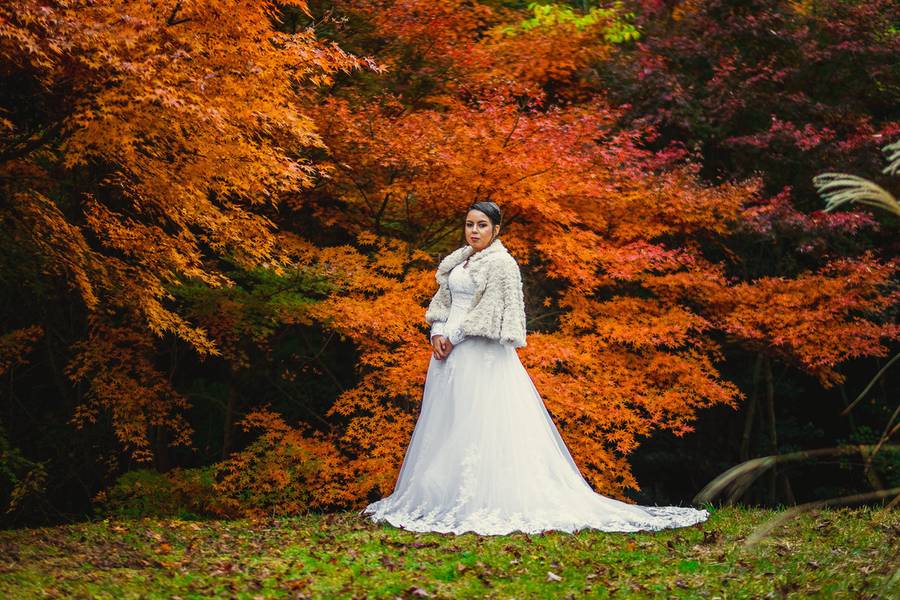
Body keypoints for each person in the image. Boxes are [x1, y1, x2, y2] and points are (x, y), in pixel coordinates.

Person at [360, 201, 710, 535]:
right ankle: (440, 495)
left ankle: (479, 497)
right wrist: (437, 331)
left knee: (477, 422)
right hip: (447, 354)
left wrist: (453, 336)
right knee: (446, 422)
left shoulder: (501, 264)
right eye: (469, 224)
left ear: (496, 229)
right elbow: (443, 301)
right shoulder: (459, 262)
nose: (474, 231)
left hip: (478, 352)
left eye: (482, 225)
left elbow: (490, 311)